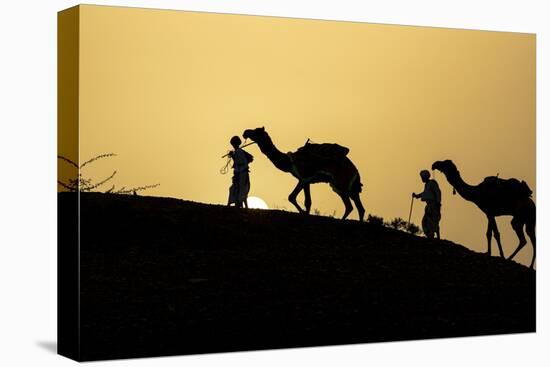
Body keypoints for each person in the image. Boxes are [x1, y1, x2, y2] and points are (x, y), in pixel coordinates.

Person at [412, 170, 442, 239]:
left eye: (422, 177)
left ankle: (435, 235)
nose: (421, 179)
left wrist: (438, 202)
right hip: (429, 206)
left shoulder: (432, 183)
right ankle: (430, 235)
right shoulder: (427, 185)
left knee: (433, 220)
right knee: (426, 221)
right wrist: (417, 196)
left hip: (434, 205)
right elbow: (425, 193)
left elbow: (438, 192)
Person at [227, 136, 253, 208]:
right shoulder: (237, 152)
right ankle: (238, 204)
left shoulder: (239, 152)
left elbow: (240, 162)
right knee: (235, 188)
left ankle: (238, 204)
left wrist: (233, 156)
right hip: (239, 174)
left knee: (240, 189)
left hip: (241, 174)